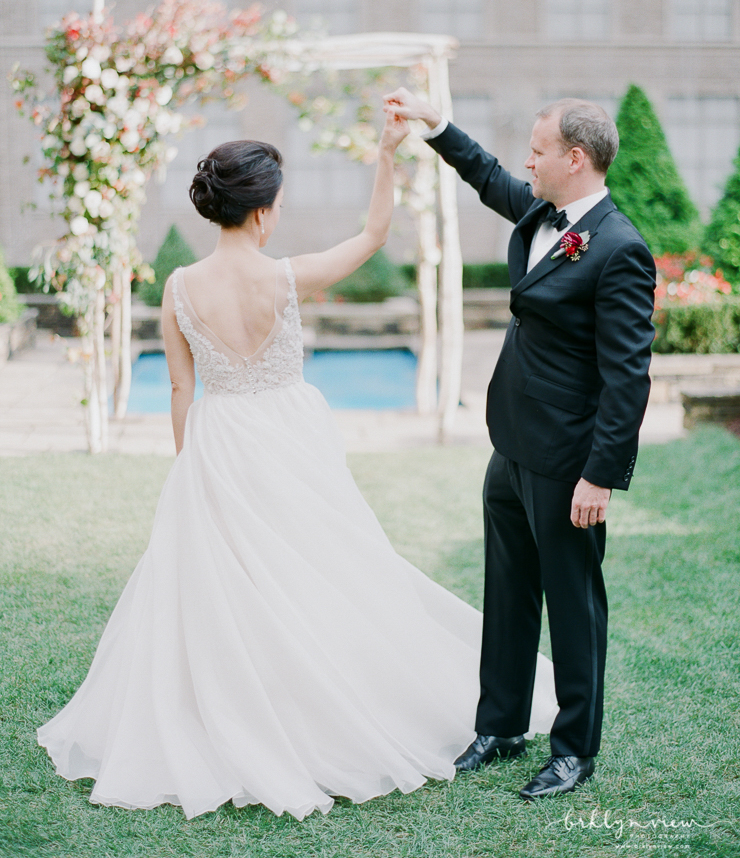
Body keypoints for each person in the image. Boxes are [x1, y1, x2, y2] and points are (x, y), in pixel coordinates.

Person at [37, 109, 557, 821]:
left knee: (227, 588)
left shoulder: (180, 287)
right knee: (319, 572)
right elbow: (373, 236)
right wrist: (385, 155)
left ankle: (236, 711)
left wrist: (190, 468)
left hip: (218, 440)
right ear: (261, 211)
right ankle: (313, 704)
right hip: (288, 438)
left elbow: (182, 389)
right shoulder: (285, 277)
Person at [383, 89, 656, 801]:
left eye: (538, 151)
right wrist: (436, 125)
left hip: (567, 460)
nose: (527, 163)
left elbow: (628, 378)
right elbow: (486, 175)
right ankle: (501, 725)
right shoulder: (540, 211)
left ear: (576, 158)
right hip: (510, 445)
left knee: (573, 604)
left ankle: (574, 750)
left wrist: (599, 476)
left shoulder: (620, 249)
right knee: (506, 592)